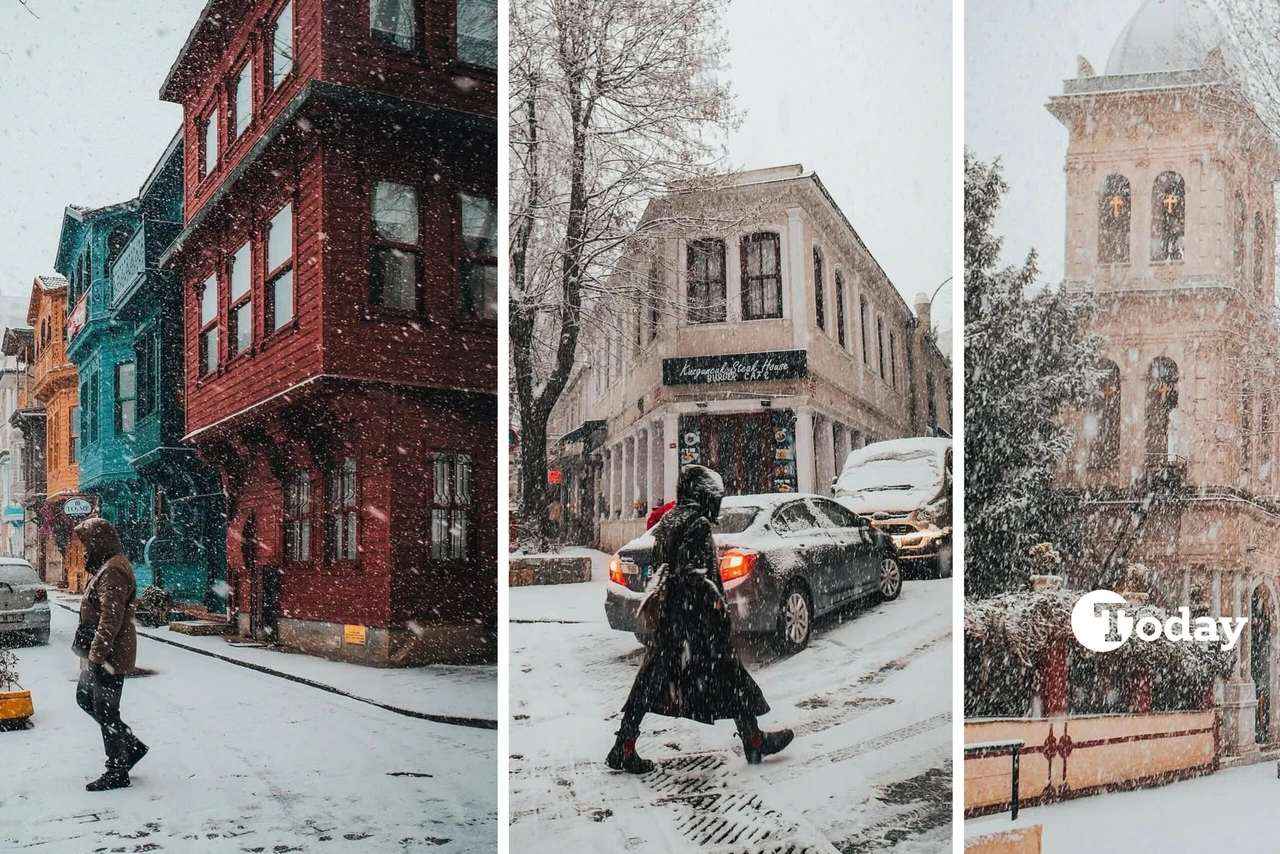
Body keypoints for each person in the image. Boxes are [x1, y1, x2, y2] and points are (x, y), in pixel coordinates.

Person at [607, 466, 794, 773]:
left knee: (653, 680)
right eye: (715, 497)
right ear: (705, 495)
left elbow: (666, 567)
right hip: (695, 622)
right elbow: (694, 575)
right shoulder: (696, 524)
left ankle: (624, 744)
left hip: (672, 619)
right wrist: (715, 606)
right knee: (730, 676)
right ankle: (754, 740)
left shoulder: (670, 520)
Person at [73, 517, 148, 791]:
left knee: (106, 710)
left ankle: (117, 769)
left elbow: (110, 618)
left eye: (86, 543)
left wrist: (96, 656)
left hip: (109, 655)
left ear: (99, 542)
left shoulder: (113, 569)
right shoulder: (106, 565)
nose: (83, 550)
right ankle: (131, 746)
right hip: (101, 652)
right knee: (85, 698)